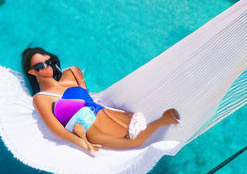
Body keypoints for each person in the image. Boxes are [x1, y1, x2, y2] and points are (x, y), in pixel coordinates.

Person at [21, 47, 180, 157]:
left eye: (48, 61)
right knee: (134, 142)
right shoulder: (41, 97)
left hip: (102, 112)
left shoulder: (72, 73)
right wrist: (82, 143)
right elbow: (57, 129)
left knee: (137, 122)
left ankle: (163, 120)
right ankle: (163, 120)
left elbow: (89, 96)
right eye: (41, 65)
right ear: (32, 72)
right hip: (90, 129)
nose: (47, 66)